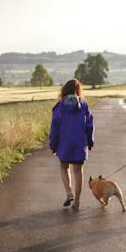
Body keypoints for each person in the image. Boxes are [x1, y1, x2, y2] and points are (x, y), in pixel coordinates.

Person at [49, 78, 95, 211]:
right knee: (78, 171)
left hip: (64, 144)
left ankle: (69, 193)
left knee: (64, 168)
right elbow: (90, 126)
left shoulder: (59, 106)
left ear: (64, 90)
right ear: (78, 90)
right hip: (80, 143)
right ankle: (77, 202)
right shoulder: (84, 105)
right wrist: (90, 142)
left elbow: (54, 128)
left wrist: (53, 144)